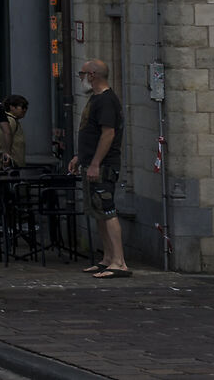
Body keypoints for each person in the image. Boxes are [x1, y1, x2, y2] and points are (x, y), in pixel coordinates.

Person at [69, 59, 128, 277]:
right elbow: (90, 132)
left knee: (107, 209)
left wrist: (95, 163)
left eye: (82, 73)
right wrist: (80, 157)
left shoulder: (106, 100)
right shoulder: (95, 99)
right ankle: (108, 258)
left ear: (93, 74)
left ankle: (119, 262)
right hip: (91, 163)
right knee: (98, 211)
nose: (80, 78)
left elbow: (108, 133)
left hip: (103, 166)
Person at [0, 95, 30, 170]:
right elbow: (3, 140)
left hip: (14, 165)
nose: (25, 110)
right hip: (11, 166)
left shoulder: (13, 121)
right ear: (12, 107)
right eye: (22, 107)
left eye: (26, 107)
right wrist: (6, 157)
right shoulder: (10, 121)